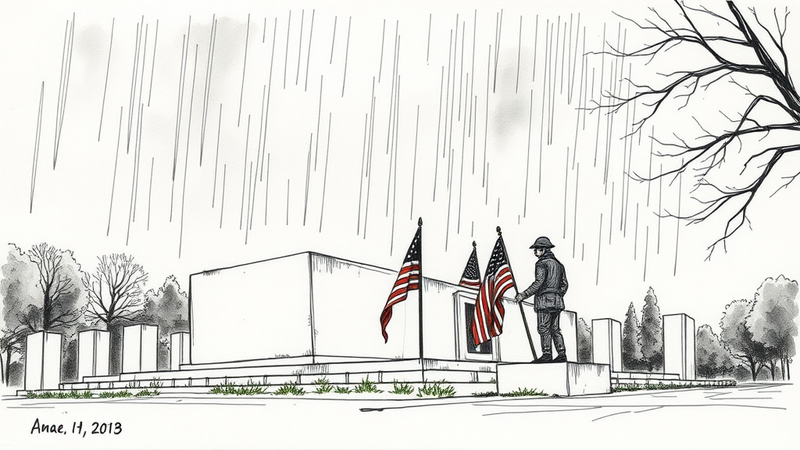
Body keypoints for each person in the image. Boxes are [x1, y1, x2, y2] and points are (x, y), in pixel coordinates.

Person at [514, 236, 569, 363]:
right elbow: (565, 284)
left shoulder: (541, 263)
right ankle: (562, 353)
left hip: (544, 301)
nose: (535, 252)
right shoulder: (559, 265)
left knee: (543, 328)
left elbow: (538, 283)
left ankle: (547, 354)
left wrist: (523, 295)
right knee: (555, 329)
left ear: (543, 250)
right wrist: (557, 294)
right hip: (557, 301)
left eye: (537, 249)